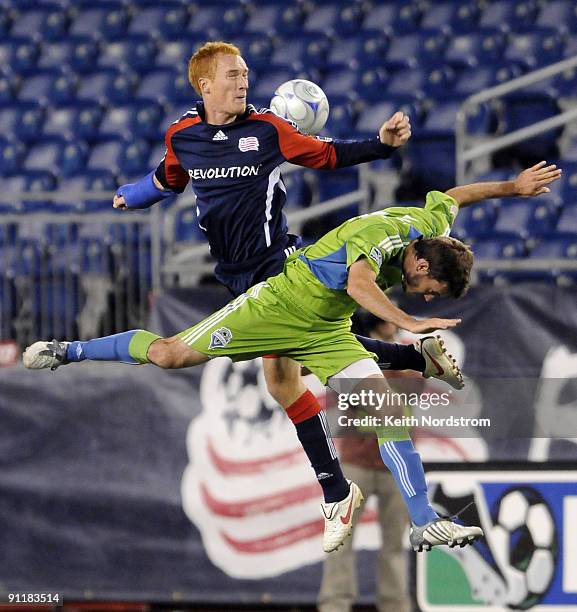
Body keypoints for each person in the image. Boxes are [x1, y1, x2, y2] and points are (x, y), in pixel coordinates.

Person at [23, 162, 560, 551]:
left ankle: (422, 519)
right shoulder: (380, 235)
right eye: (431, 290)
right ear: (421, 268)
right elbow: (358, 283)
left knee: (382, 412)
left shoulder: (433, 232)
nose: (426, 297)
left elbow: (455, 194)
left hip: (326, 328)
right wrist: (414, 324)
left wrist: (512, 188)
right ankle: (68, 349)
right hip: (281, 303)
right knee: (169, 354)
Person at [90, 41, 464, 550]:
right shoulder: (184, 134)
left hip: (278, 272)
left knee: (212, 362)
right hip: (237, 275)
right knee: (286, 382)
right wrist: (131, 195)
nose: (244, 81)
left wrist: (379, 145)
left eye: (246, 73)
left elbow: (326, 154)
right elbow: (167, 178)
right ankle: (405, 372)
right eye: (233, 74)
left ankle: (340, 492)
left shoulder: (268, 128)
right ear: (205, 84)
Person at [318, 311, 412, 612]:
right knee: (340, 541)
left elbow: (411, 386)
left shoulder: (399, 363)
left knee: (394, 543)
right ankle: (335, 604)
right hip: (357, 463)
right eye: (388, 321)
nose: (395, 326)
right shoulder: (351, 363)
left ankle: (394, 604)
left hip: (393, 466)